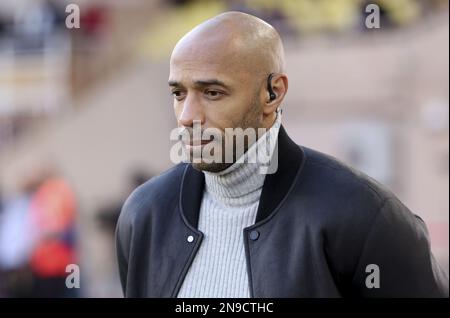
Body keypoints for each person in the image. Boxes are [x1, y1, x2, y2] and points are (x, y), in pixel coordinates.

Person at [116, 11, 448, 298]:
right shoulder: (144, 215)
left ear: (273, 93)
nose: (187, 115)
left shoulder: (364, 215)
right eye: (178, 93)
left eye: (212, 92)